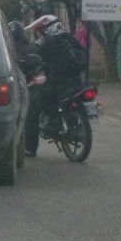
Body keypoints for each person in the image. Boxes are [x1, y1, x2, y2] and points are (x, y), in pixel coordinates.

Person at [25, 15, 85, 151]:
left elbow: (34, 57)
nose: (38, 33)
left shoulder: (48, 41)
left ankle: (30, 148)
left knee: (33, 107)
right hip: (76, 81)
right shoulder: (70, 38)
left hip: (56, 82)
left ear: (48, 28)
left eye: (40, 30)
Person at [9, 21, 41, 158]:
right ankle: (28, 147)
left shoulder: (10, 49)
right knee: (30, 114)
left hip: (24, 84)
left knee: (29, 115)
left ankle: (28, 147)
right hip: (30, 82)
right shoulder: (30, 46)